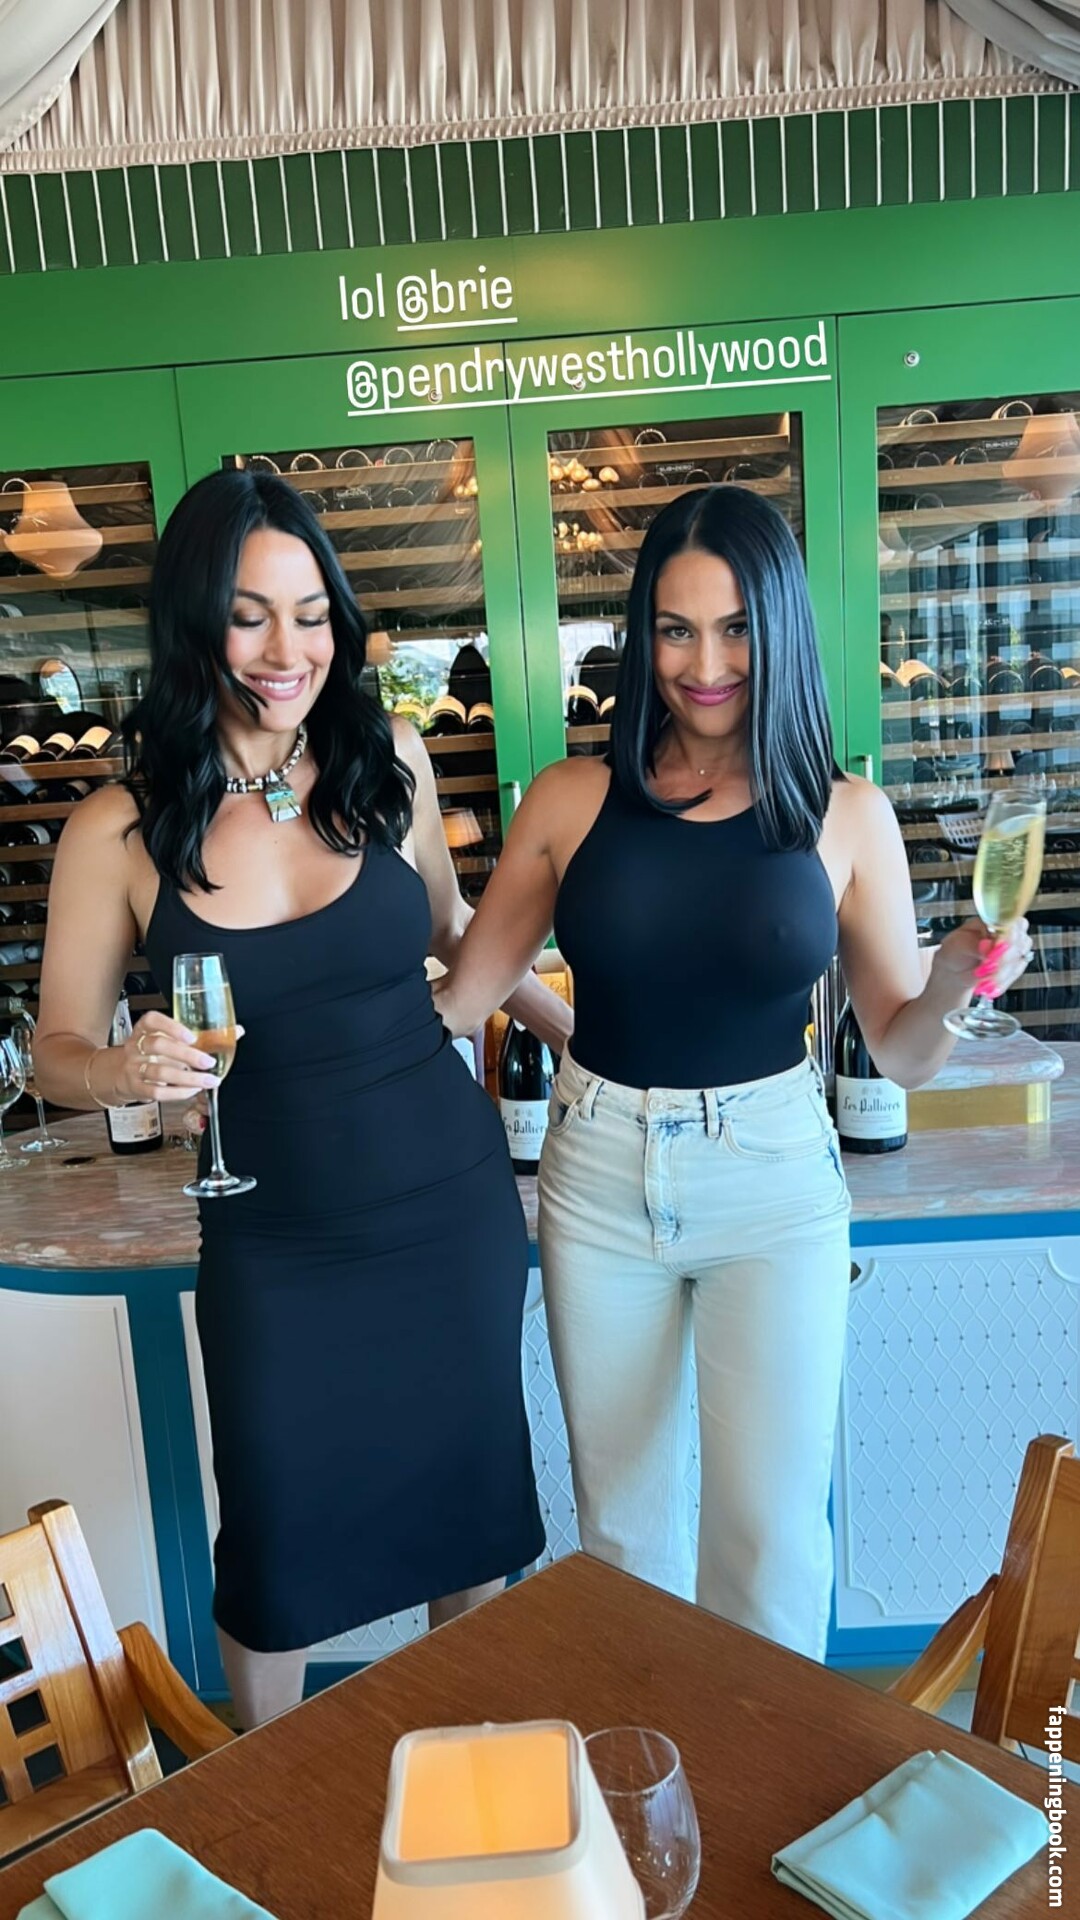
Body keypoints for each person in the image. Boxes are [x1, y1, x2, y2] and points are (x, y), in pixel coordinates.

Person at [435, 484, 1032, 1660]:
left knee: (768, 1538)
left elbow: (902, 1051)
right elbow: (461, 994)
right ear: (641, 632)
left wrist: (959, 976)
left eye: (736, 629)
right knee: (622, 1534)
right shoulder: (569, 799)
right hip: (598, 1174)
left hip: (772, 1180)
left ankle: (766, 1768)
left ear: (782, 630)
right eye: (675, 629)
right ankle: (652, 1763)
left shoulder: (846, 815)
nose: (704, 666)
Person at [35, 469, 564, 1726]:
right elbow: (55, 1047)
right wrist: (119, 1070)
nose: (289, 650)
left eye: (312, 613)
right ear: (193, 623)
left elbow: (457, 941)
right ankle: (265, 1801)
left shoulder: (390, 761)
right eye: (251, 615)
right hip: (273, 1232)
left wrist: (586, 1036)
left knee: (469, 1508)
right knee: (277, 1542)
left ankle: (470, 1770)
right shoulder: (117, 830)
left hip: (446, 1204)